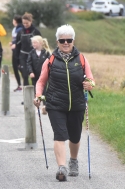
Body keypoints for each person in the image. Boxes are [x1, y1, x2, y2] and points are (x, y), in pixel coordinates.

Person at [33, 24, 95, 181]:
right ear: (57, 42)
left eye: (69, 40)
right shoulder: (50, 60)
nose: (66, 43)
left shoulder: (81, 59)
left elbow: (90, 79)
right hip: (55, 104)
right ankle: (62, 168)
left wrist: (89, 85)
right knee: (60, 135)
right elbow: (41, 82)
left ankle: (73, 160)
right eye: (62, 40)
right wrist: (39, 95)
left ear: (73, 41)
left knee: (74, 136)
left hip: (77, 103)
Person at [15, 12, 41, 87]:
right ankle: (26, 96)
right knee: (25, 76)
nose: (25, 25)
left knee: (34, 76)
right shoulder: (20, 32)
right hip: (23, 56)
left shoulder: (36, 31)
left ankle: (35, 95)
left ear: (31, 21)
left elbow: (41, 44)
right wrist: (17, 60)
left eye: (27, 23)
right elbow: (17, 46)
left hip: (34, 56)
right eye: (24, 23)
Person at [27, 35, 51, 114]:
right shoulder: (31, 53)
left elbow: (50, 63)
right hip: (35, 75)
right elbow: (29, 63)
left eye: (35, 43)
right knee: (36, 90)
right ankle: (38, 105)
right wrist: (30, 72)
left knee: (44, 89)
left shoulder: (46, 53)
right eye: (32, 43)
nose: (33, 44)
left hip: (44, 75)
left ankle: (45, 106)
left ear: (40, 43)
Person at [10, 15, 23, 92]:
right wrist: (12, 43)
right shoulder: (15, 28)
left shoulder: (19, 29)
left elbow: (19, 40)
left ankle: (22, 85)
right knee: (16, 68)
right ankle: (20, 85)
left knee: (18, 67)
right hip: (15, 50)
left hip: (18, 51)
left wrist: (14, 44)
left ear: (15, 21)